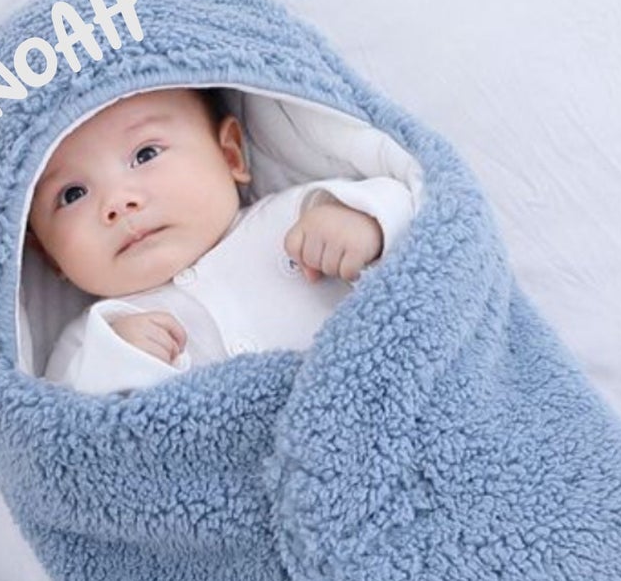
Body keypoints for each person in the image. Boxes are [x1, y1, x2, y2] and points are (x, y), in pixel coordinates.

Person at [26, 86, 414, 393]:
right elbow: (67, 436)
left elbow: (413, 211)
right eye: (72, 195)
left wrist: (365, 224)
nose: (117, 203)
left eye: (145, 155)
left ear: (230, 156)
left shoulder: (300, 214)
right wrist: (118, 362)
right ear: (50, 255)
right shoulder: (92, 340)